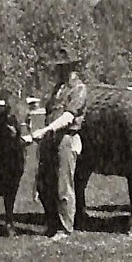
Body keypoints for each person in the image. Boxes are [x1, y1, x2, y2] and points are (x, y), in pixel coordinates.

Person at [31, 48, 88, 241]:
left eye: (62, 67)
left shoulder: (79, 89)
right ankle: (52, 224)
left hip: (66, 139)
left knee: (64, 185)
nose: (59, 71)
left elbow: (68, 117)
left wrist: (45, 130)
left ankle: (65, 228)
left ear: (71, 68)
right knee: (45, 184)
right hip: (50, 140)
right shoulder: (57, 89)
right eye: (58, 67)